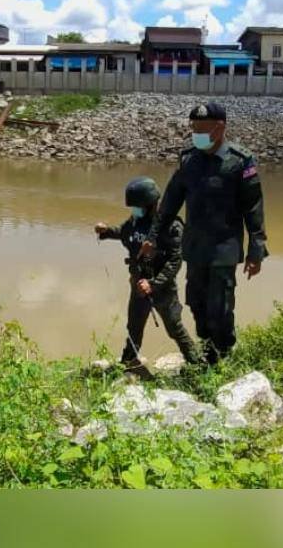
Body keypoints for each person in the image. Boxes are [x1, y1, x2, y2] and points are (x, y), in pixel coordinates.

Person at [140, 102, 268, 364]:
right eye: (193, 128)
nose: (195, 133)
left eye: (201, 128)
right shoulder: (189, 160)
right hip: (195, 247)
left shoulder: (239, 161)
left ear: (219, 128)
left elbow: (253, 209)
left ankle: (222, 357)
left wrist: (256, 251)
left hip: (224, 250)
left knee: (220, 307)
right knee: (196, 303)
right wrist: (152, 237)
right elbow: (169, 204)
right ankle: (208, 350)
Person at [95, 177, 201, 371]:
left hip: (162, 289)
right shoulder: (135, 221)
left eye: (137, 206)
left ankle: (197, 365)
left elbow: (176, 260)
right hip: (138, 286)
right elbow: (124, 232)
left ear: (151, 204)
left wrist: (154, 284)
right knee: (133, 328)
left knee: (174, 329)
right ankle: (127, 363)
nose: (134, 210)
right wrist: (106, 231)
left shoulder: (170, 225)